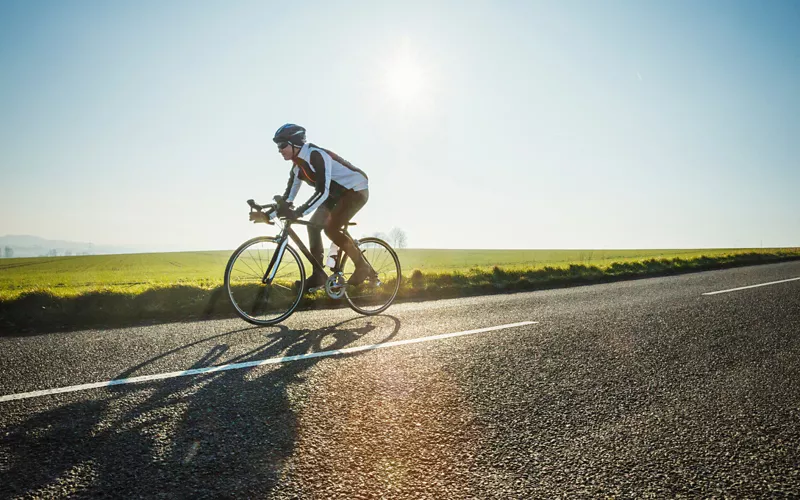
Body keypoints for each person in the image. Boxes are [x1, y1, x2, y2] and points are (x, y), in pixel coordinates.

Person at [267, 123, 373, 292]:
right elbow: (288, 198)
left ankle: (362, 267)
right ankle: (318, 275)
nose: (279, 150)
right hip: (335, 195)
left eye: (282, 145)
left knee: (331, 229)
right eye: (278, 146)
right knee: (313, 227)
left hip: (355, 190)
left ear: (295, 143)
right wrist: (269, 215)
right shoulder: (297, 167)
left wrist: (299, 212)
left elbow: (322, 191)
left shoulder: (316, 155)